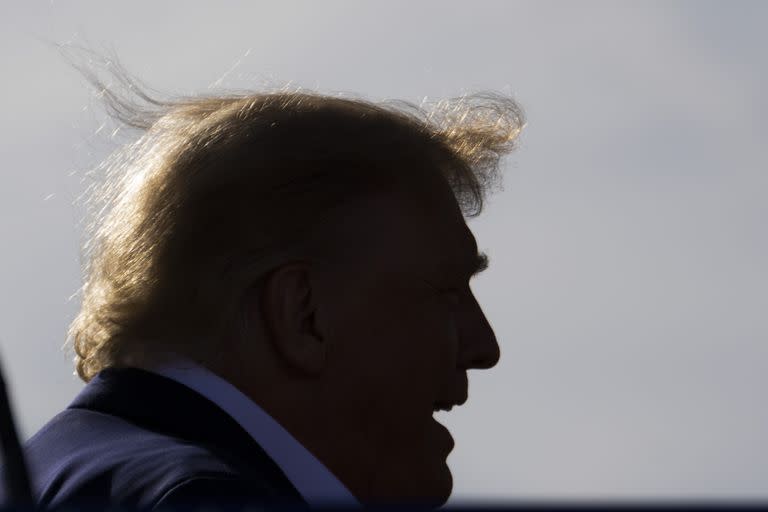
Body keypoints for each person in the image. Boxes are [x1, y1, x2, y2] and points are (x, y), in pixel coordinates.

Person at [3, 63, 523, 509]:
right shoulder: (204, 497)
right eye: (448, 292)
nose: (485, 347)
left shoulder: (52, 475)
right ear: (303, 314)